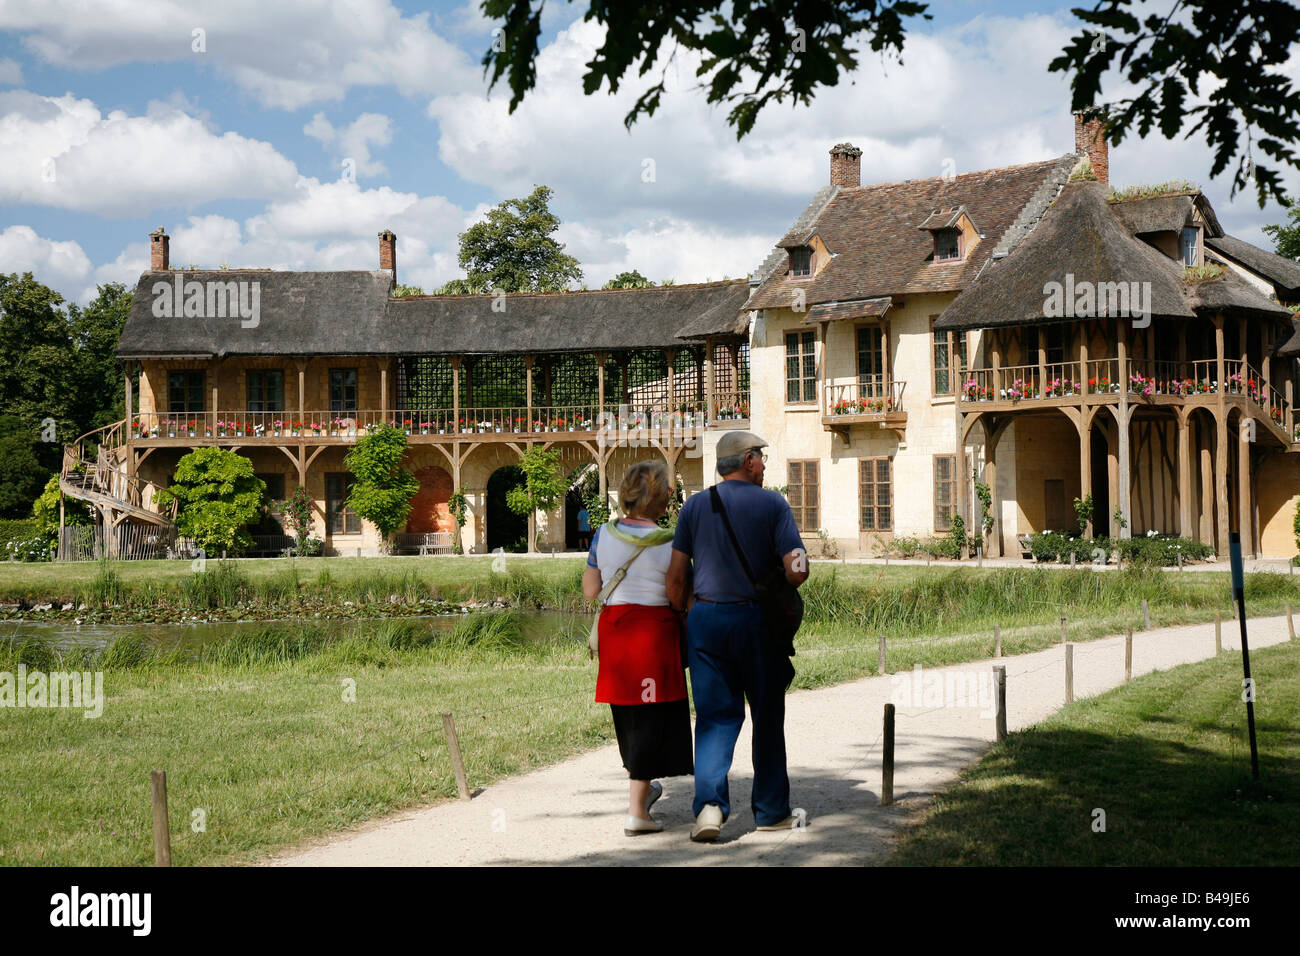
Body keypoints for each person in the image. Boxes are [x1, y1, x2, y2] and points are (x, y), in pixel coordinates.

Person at [666, 431, 810, 842]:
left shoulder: (695, 505)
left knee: (713, 717)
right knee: (767, 714)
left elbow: (676, 577)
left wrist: (686, 613)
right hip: (756, 622)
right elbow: (797, 567)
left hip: (706, 621)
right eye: (761, 459)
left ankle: (710, 809)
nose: (764, 466)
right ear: (747, 461)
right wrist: (790, 571)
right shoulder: (773, 504)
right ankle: (770, 811)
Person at [583, 460, 693, 835]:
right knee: (651, 718)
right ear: (662, 499)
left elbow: (590, 590)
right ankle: (637, 811)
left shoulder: (603, 534)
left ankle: (641, 791)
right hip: (654, 633)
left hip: (616, 631)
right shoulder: (671, 541)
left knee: (629, 715)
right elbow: (679, 594)